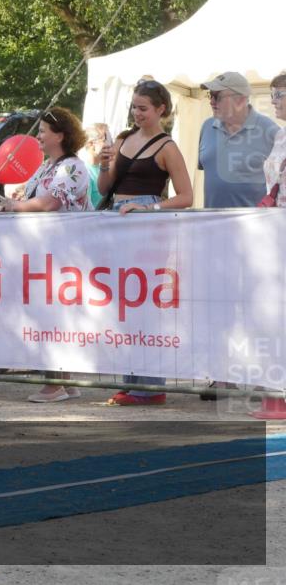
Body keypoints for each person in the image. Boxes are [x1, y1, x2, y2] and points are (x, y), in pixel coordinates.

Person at [96, 79, 193, 406]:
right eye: (134, 107)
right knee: (125, 305)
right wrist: (103, 162)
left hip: (148, 226)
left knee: (145, 306)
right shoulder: (124, 139)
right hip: (120, 221)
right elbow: (105, 185)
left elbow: (186, 196)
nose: (137, 113)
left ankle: (149, 386)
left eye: (143, 108)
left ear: (160, 109)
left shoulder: (167, 147)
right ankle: (132, 381)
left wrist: (149, 206)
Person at [0, 107, 91, 403]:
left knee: (53, 315)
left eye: (43, 131)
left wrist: (14, 207)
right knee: (51, 313)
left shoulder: (72, 166)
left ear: (60, 135)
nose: (38, 135)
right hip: (45, 250)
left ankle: (54, 383)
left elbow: (49, 203)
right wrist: (12, 204)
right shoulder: (48, 165)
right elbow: (29, 197)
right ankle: (66, 380)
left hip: (63, 252)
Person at [198, 71, 279, 208]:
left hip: (254, 226)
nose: (211, 102)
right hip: (211, 225)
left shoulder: (270, 131)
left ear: (240, 99)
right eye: (210, 95)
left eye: (217, 96)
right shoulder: (207, 126)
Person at [262, 72, 286, 209]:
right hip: (278, 220)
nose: (272, 101)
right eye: (272, 95)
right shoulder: (281, 135)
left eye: (278, 95)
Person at [81, 123, 112, 209]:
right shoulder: (84, 171)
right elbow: (85, 208)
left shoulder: (105, 169)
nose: (109, 143)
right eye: (105, 139)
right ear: (91, 144)